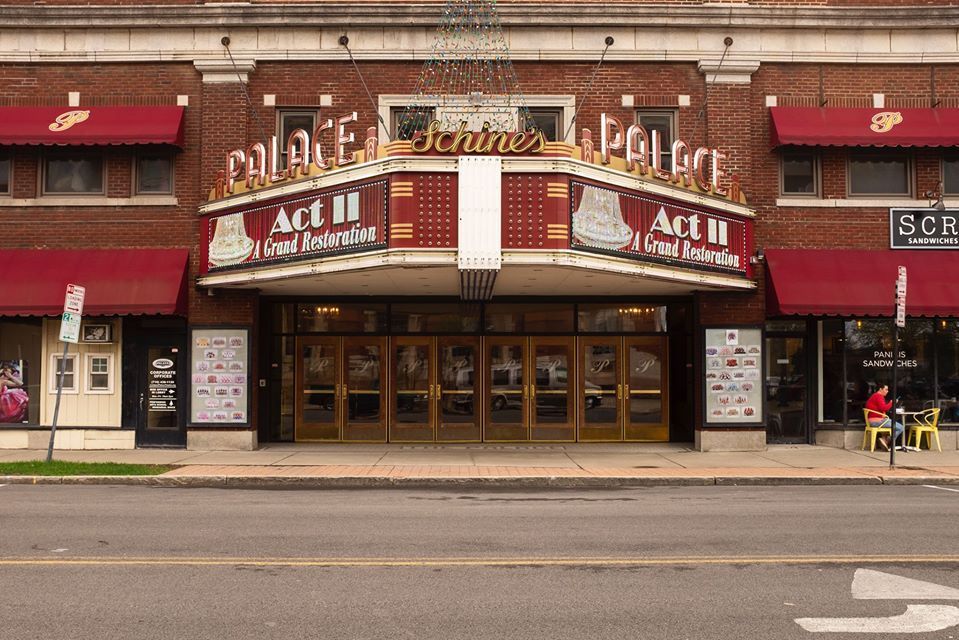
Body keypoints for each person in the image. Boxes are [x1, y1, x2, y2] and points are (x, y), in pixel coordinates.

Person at [865, 384, 903, 451]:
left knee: (889, 423)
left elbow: (881, 408)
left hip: (872, 420)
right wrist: (892, 403)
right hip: (877, 421)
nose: (887, 391)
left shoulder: (874, 396)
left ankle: (884, 440)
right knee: (900, 428)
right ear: (880, 389)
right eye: (886, 389)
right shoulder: (879, 396)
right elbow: (884, 408)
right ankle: (886, 440)